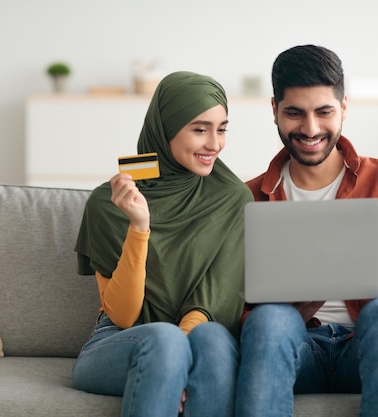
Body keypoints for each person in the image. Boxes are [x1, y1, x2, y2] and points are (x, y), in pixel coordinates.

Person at [235, 45, 378, 417]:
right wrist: (286, 305)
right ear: (274, 110)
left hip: (371, 347)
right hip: (294, 352)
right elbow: (227, 309)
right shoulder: (247, 198)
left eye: (324, 112)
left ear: (344, 108)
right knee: (269, 319)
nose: (310, 129)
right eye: (294, 113)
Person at [72, 71, 253, 417]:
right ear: (165, 128)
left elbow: (213, 301)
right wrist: (140, 227)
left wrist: (181, 360)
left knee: (211, 342)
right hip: (118, 342)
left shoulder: (232, 199)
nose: (214, 143)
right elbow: (123, 315)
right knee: (165, 341)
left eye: (222, 128)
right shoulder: (107, 204)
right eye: (200, 129)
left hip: (199, 339)